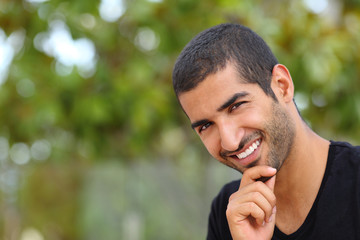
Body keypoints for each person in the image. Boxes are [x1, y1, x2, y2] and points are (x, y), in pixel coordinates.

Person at [172, 23, 360, 240]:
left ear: (282, 86)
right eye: (206, 126)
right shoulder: (229, 212)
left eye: (236, 106)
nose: (230, 142)